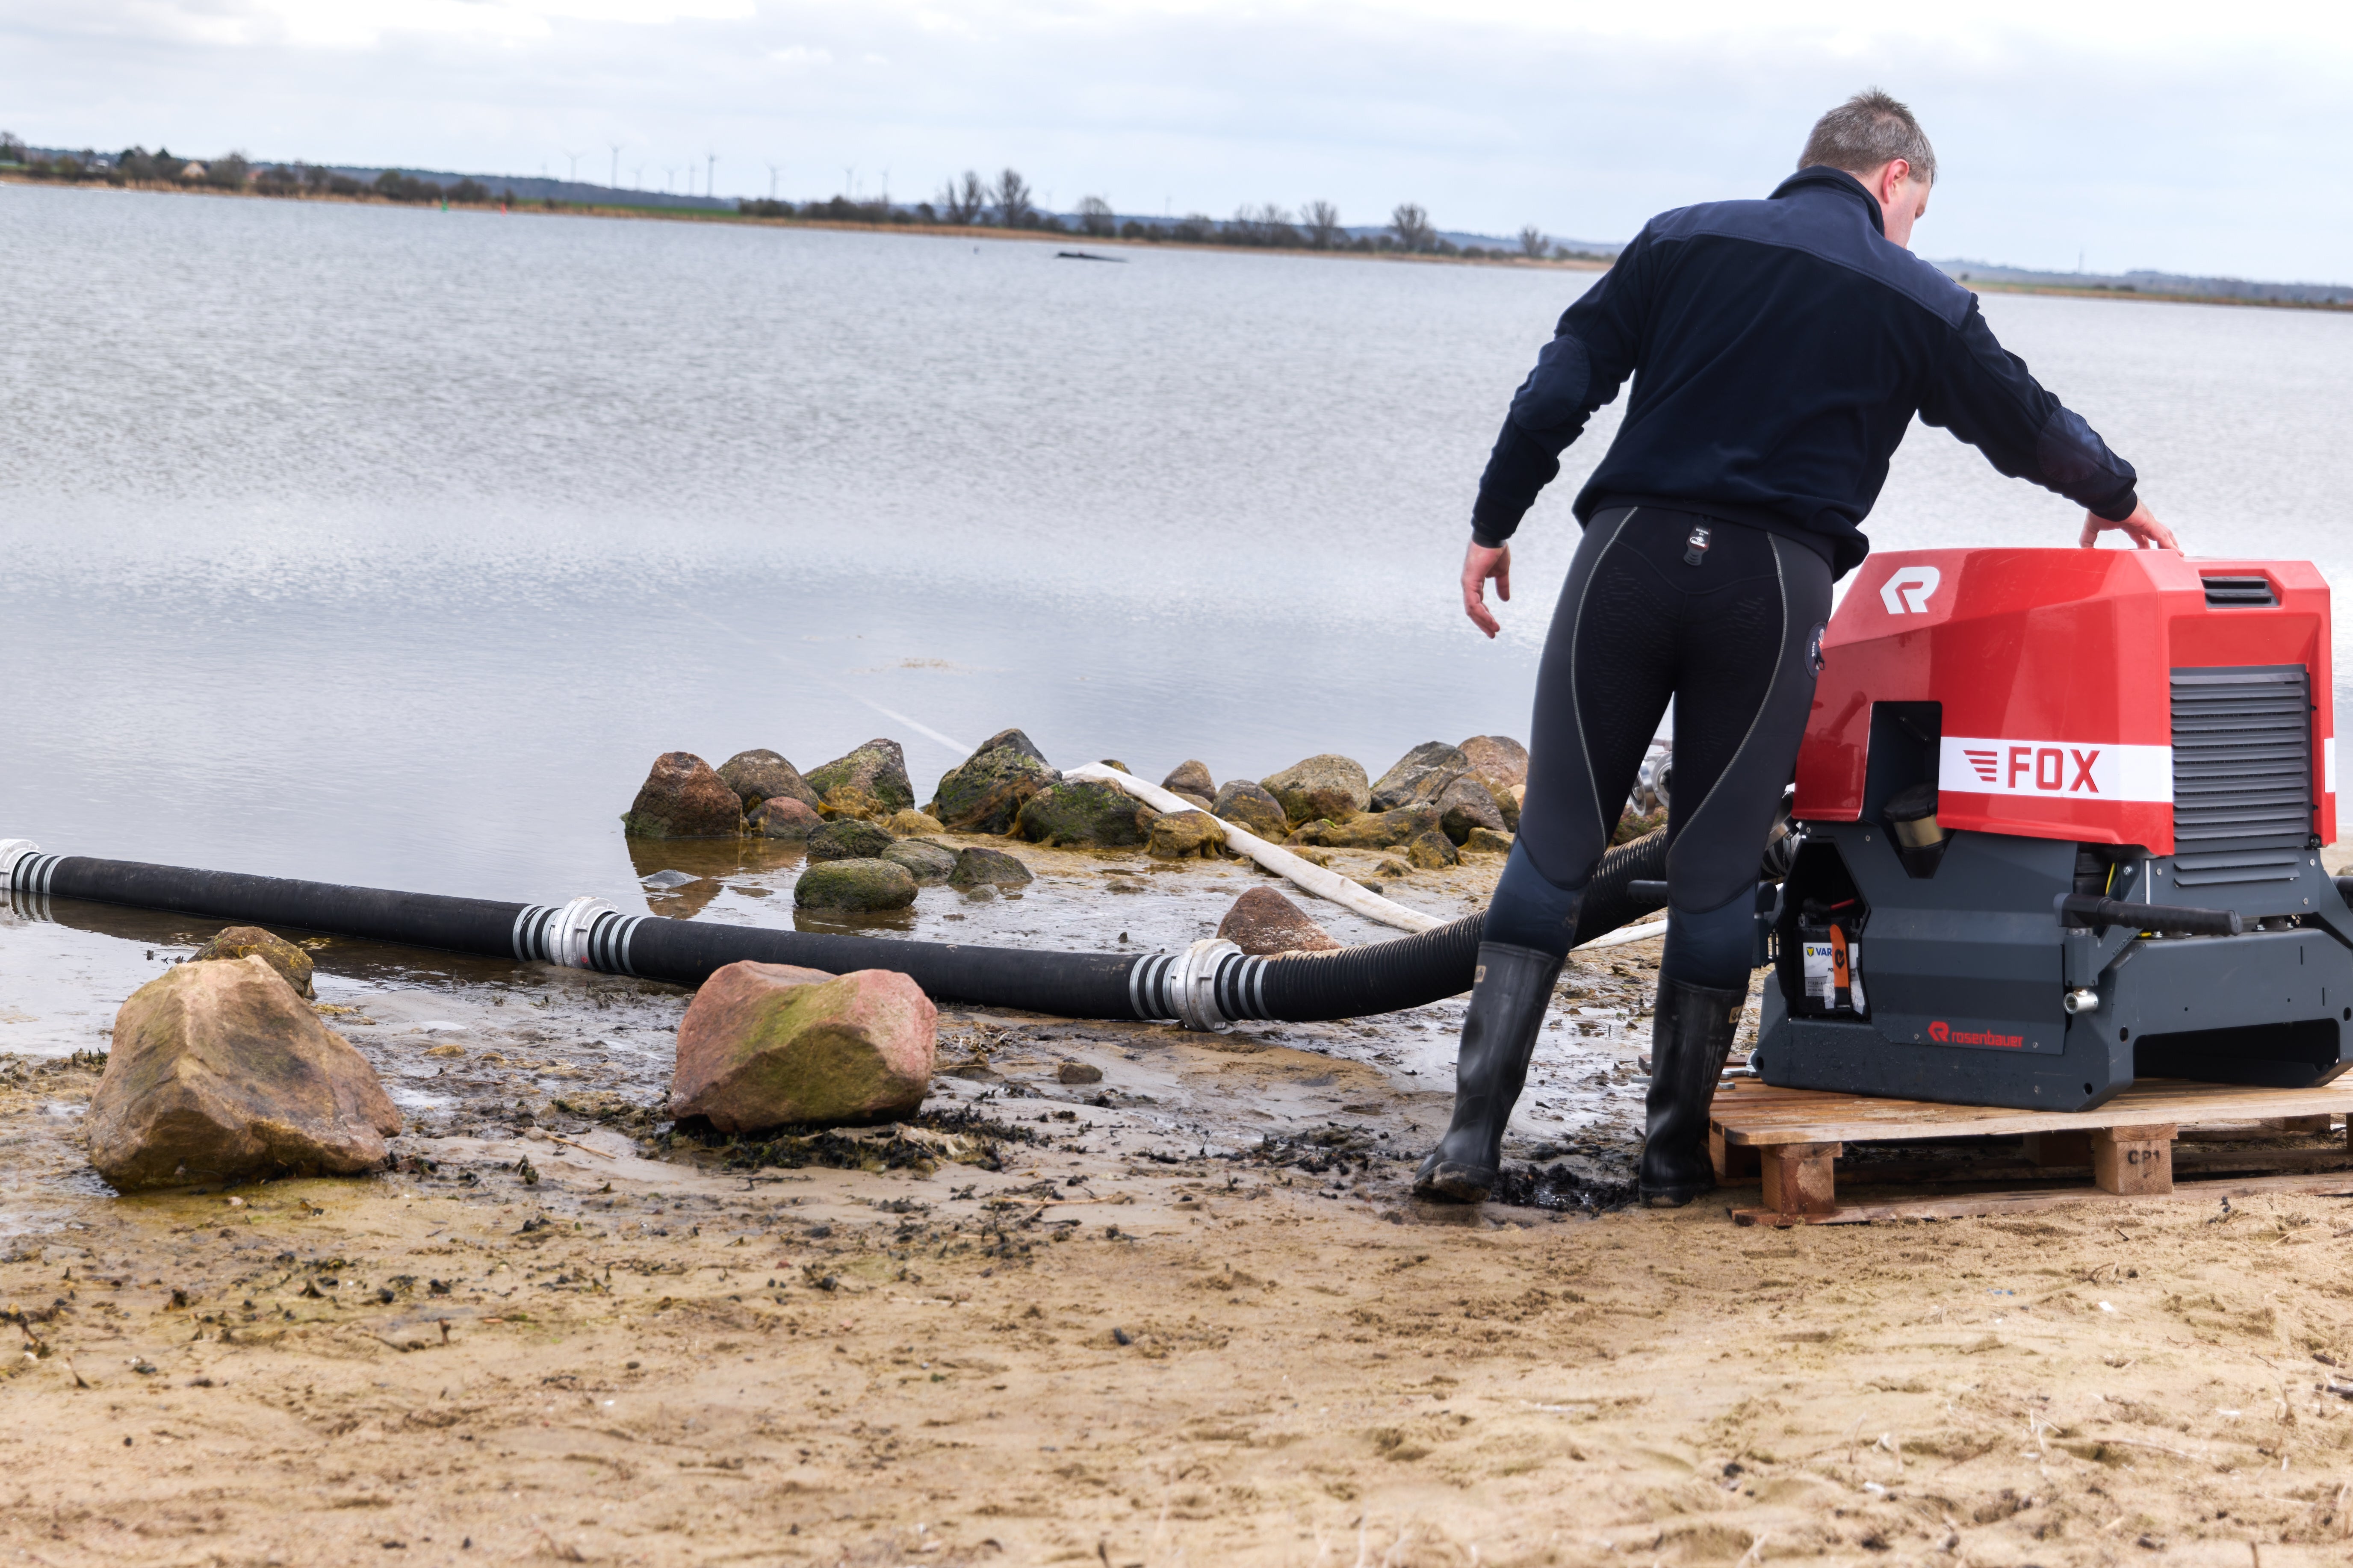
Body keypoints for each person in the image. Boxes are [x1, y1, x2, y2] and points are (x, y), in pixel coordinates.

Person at [1416, 89, 2179, 1208]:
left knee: (1553, 847)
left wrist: (1495, 521)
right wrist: (2117, 495)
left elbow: (1559, 388)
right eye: (1918, 211)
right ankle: (1670, 1161)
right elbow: (2023, 423)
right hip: (1771, 588)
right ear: (1894, 179)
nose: (1911, 234)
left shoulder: (1681, 238)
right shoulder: (1920, 298)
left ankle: (1469, 1145)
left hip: (1626, 558)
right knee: (1716, 874)